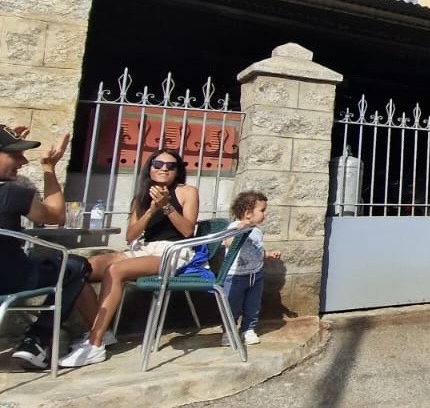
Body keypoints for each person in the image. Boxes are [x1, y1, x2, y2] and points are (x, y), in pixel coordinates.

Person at [60, 148, 199, 368]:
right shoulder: (141, 198)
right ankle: (102, 333)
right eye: (158, 164)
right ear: (149, 168)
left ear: (177, 170)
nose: (164, 169)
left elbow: (188, 231)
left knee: (116, 270)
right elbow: (131, 235)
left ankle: (94, 345)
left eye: (170, 166)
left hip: (173, 251)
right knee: (78, 268)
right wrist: (151, 211)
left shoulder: (187, 191)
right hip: (144, 249)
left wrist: (167, 206)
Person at [0, 124, 93, 370]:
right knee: (74, 266)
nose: (23, 161)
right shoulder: (11, 193)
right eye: (15, 155)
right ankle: (36, 342)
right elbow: (55, 215)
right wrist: (49, 168)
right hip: (10, 280)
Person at [222, 190, 281, 346]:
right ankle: (229, 331)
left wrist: (268, 254)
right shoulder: (235, 226)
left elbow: (256, 250)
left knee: (253, 306)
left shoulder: (257, 231)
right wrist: (239, 230)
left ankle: (248, 329)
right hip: (235, 277)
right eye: (262, 210)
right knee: (232, 305)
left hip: (256, 275)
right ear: (248, 213)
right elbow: (228, 242)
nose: (265, 214)